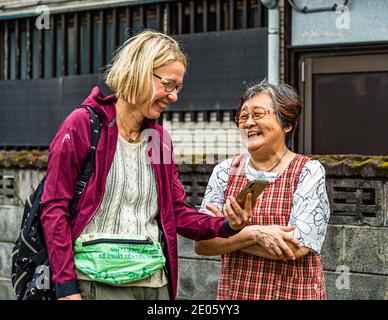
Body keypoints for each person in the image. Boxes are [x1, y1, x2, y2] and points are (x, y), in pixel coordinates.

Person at [40, 30, 252, 300]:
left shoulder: (159, 140)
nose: (173, 96)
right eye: (168, 84)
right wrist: (66, 289)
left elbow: (175, 212)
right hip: (96, 284)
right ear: (140, 72)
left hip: (155, 286)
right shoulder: (82, 125)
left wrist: (227, 225)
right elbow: (53, 208)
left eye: (177, 87)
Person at [194, 80, 330, 300]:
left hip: (293, 293)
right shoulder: (225, 171)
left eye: (258, 114)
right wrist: (255, 234)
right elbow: (202, 243)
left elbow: (295, 248)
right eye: (243, 116)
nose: (248, 123)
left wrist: (229, 234)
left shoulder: (308, 171)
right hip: (236, 295)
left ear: (286, 124)